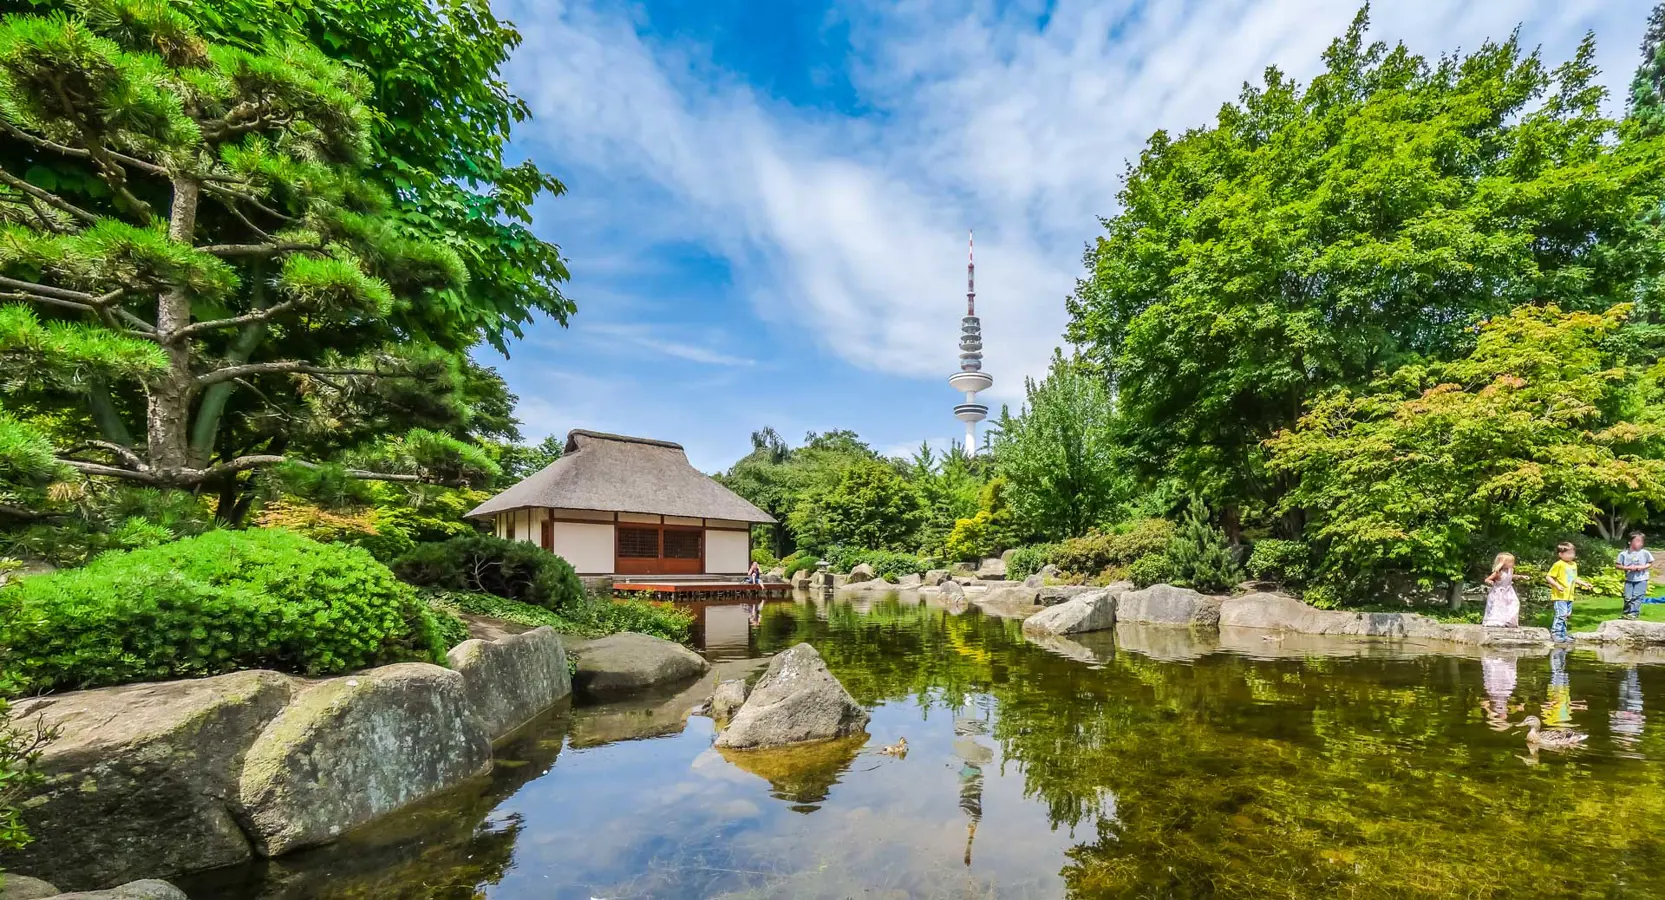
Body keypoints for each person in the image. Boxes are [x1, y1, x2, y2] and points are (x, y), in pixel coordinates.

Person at [1546, 542, 1593, 643]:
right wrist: (1557, 585)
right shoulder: (1558, 564)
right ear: (1560, 554)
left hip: (1569, 595)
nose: (1571, 555)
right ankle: (1556, 633)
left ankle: (1563, 633)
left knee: (1567, 615)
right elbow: (1549, 577)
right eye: (1568, 553)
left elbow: (1574, 578)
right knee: (1561, 614)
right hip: (1560, 595)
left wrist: (1583, 583)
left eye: (1572, 553)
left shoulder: (1573, 565)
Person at [1617, 532, 1655, 621]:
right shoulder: (1623, 554)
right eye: (1637, 541)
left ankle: (1633, 614)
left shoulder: (1645, 553)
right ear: (1630, 542)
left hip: (1642, 579)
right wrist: (1627, 567)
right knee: (1627, 597)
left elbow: (1650, 563)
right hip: (1629, 579)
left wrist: (1641, 567)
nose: (1640, 543)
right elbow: (1618, 565)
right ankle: (1626, 613)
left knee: (1637, 597)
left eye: (1641, 541)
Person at [1481, 552, 1520, 627]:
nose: (1512, 564)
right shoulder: (1498, 573)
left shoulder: (1510, 570)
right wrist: (1490, 582)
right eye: (1510, 562)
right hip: (1499, 592)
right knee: (1498, 606)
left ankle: (1510, 620)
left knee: (1514, 603)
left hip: (1508, 591)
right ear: (1503, 563)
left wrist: (1520, 577)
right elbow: (1487, 579)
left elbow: (1510, 576)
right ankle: (1496, 621)